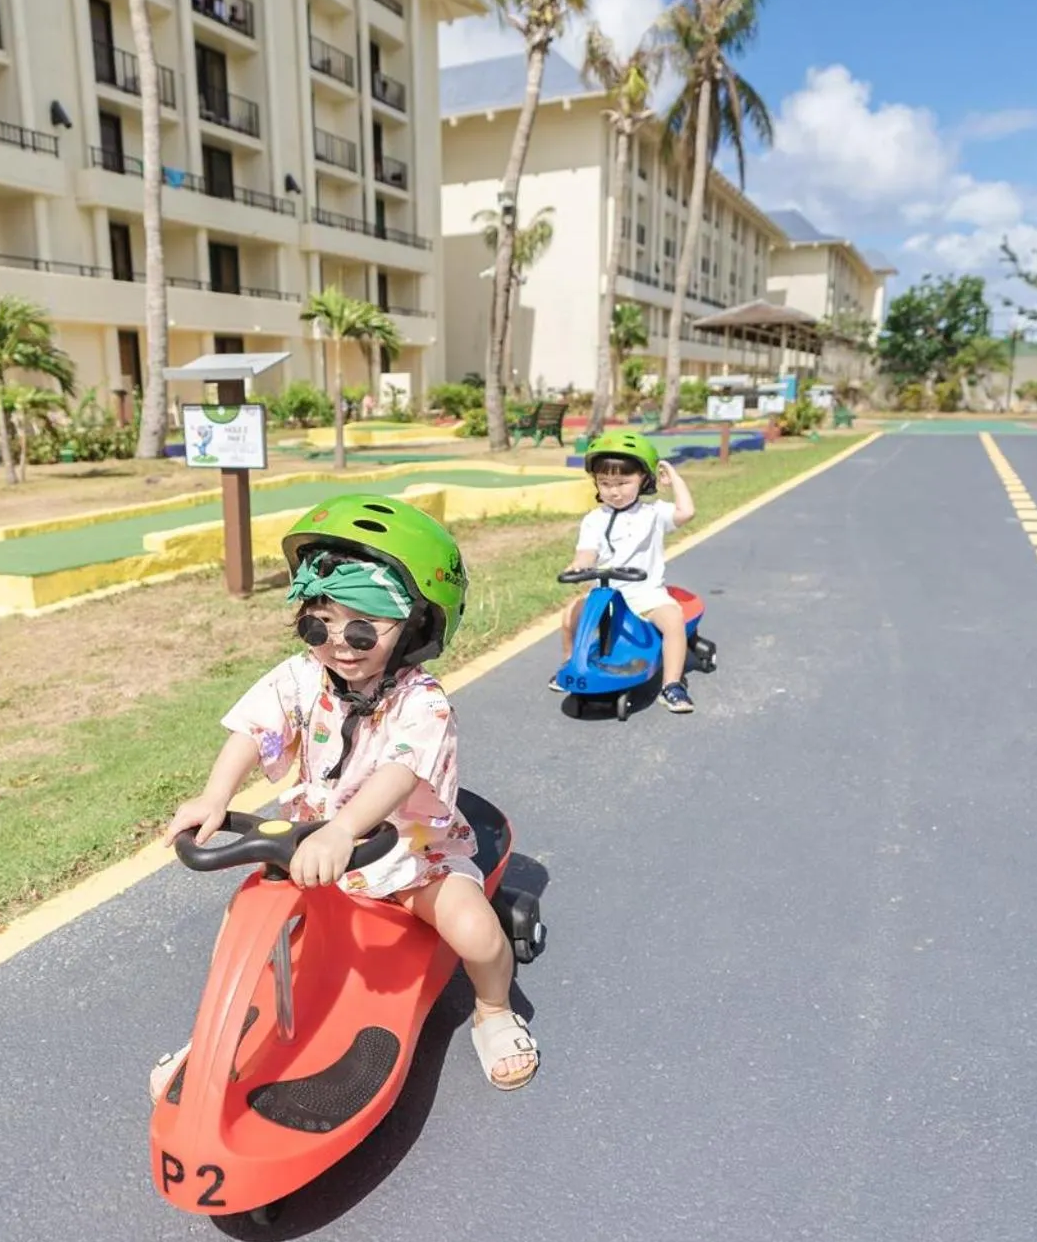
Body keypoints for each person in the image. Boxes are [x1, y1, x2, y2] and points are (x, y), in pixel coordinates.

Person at [155, 495, 539, 1096]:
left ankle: (493, 1011)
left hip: (407, 855)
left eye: (363, 627)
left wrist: (344, 829)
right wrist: (214, 795)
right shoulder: (302, 677)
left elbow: (398, 773)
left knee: (475, 930)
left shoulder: (423, 701)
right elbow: (252, 730)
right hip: (314, 846)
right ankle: (223, 1033)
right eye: (317, 623)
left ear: (413, 626)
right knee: (244, 923)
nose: (338, 643)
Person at [555, 431, 699, 712]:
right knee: (570, 614)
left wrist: (675, 479)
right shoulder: (594, 520)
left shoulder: (654, 513)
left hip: (646, 595)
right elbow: (586, 553)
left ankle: (671, 685)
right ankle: (570, 665)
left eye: (623, 482)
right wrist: (579, 565)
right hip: (606, 595)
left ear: (644, 479)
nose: (614, 491)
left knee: (673, 620)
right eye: (605, 483)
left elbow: (686, 513)